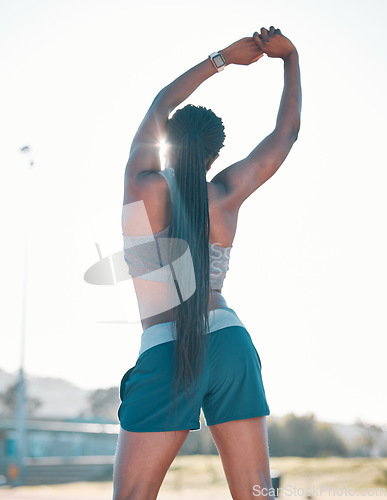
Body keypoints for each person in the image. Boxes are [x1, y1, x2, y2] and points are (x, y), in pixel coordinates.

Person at [113, 26, 301, 500]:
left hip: (168, 348)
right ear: (216, 155)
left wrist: (222, 59)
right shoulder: (226, 194)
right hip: (230, 342)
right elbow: (286, 134)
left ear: (167, 144)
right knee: (258, 495)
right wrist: (290, 58)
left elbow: (160, 104)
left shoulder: (141, 184)